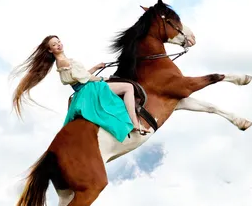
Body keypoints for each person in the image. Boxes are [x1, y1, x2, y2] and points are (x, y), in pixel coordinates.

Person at [12, 35, 150, 142]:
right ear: (50, 50)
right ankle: (135, 124)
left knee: (124, 86)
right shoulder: (63, 61)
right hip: (90, 89)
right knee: (128, 87)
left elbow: (81, 76)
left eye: (58, 41)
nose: (58, 45)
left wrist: (96, 67)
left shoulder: (64, 60)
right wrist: (103, 78)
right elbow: (86, 78)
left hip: (83, 89)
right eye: (54, 44)